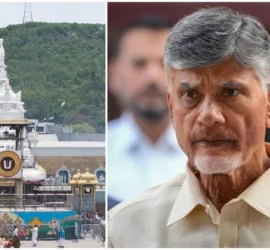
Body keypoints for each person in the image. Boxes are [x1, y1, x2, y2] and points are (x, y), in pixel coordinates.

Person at [108, 7, 270, 247]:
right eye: (190, 94)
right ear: (172, 107)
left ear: (267, 105)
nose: (208, 116)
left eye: (230, 92)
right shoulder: (123, 229)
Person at [108, 15, 187, 209]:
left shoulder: (215, 153)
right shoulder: (100, 154)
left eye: (164, 64)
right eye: (139, 64)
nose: (152, 76)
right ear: (114, 75)